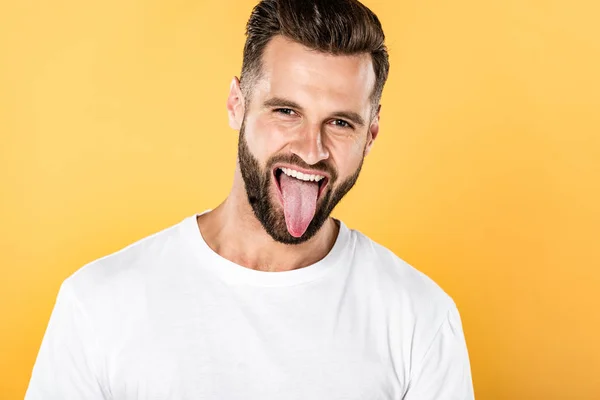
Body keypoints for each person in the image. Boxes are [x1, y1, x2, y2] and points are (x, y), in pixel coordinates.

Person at [25, 0, 475, 398]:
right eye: (286, 111)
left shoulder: (421, 319)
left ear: (370, 135)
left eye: (340, 123)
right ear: (236, 104)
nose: (311, 149)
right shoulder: (100, 304)